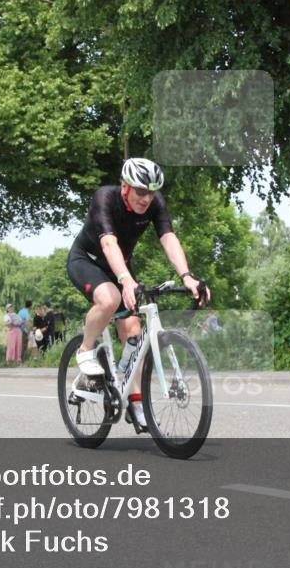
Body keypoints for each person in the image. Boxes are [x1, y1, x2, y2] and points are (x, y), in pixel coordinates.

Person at [66, 157, 209, 430]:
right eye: (141, 191)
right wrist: (126, 280)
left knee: (135, 334)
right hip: (88, 260)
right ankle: (85, 351)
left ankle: (135, 401)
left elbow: (168, 237)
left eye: (151, 192)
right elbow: (108, 244)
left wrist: (187, 276)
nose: (146, 198)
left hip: (121, 266)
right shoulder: (104, 198)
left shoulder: (154, 203)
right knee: (110, 298)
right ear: (124, 187)